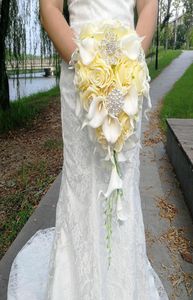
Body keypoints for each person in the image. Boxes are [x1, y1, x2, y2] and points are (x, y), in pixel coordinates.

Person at [7, 0, 170, 299]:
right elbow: (50, 9)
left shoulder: (130, 67)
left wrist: (132, 62)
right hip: (79, 71)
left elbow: (148, 6)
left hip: (127, 78)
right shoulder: (80, 64)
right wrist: (86, 62)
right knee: (82, 181)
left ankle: (122, 282)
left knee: (122, 175)